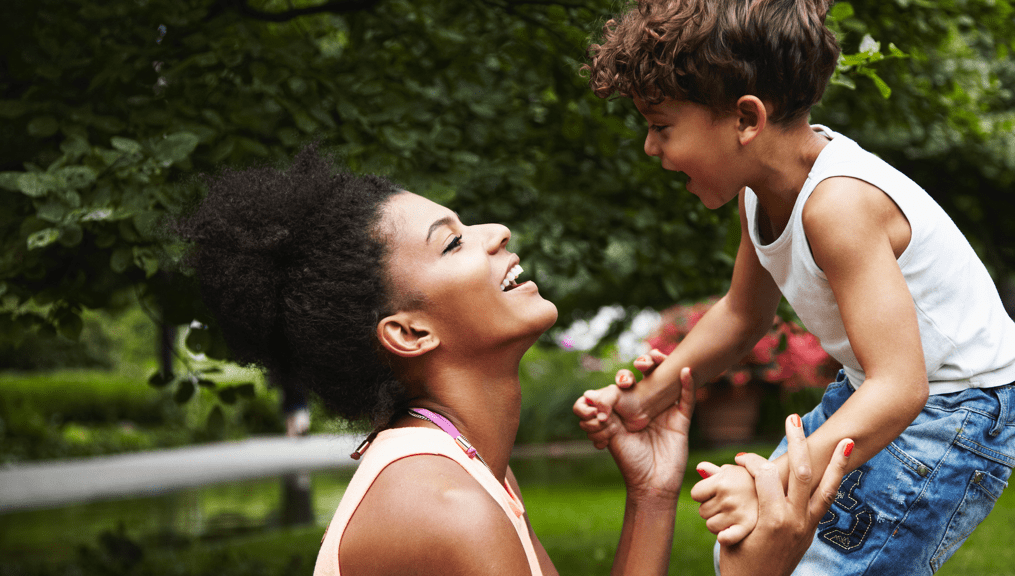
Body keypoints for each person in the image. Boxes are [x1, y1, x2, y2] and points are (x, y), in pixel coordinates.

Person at [174, 145, 851, 575]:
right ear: (408, 333)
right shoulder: (443, 508)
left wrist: (650, 497)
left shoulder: (468, 468)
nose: (496, 232)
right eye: (451, 243)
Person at [577, 0, 1015, 574]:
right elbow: (742, 316)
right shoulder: (759, 195)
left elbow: (901, 387)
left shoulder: (839, 205)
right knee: (749, 549)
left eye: (661, 127)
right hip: (875, 392)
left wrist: (772, 478)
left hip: (953, 410)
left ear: (747, 119)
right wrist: (644, 399)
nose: (651, 147)